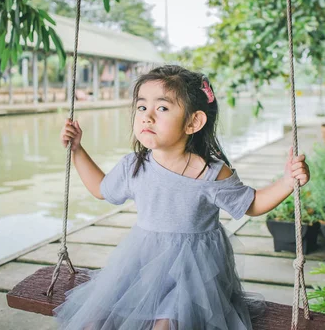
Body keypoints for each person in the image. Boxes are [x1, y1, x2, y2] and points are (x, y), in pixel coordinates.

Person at [56, 65, 310, 330]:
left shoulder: (209, 172)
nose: (147, 117)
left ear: (193, 122)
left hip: (195, 272)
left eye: (162, 108)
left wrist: (286, 182)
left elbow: (252, 204)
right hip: (142, 263)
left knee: (166, 325)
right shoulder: (135, 166)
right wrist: (77, 150)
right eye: (142, 107)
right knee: (94, 321)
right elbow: (101, 189)